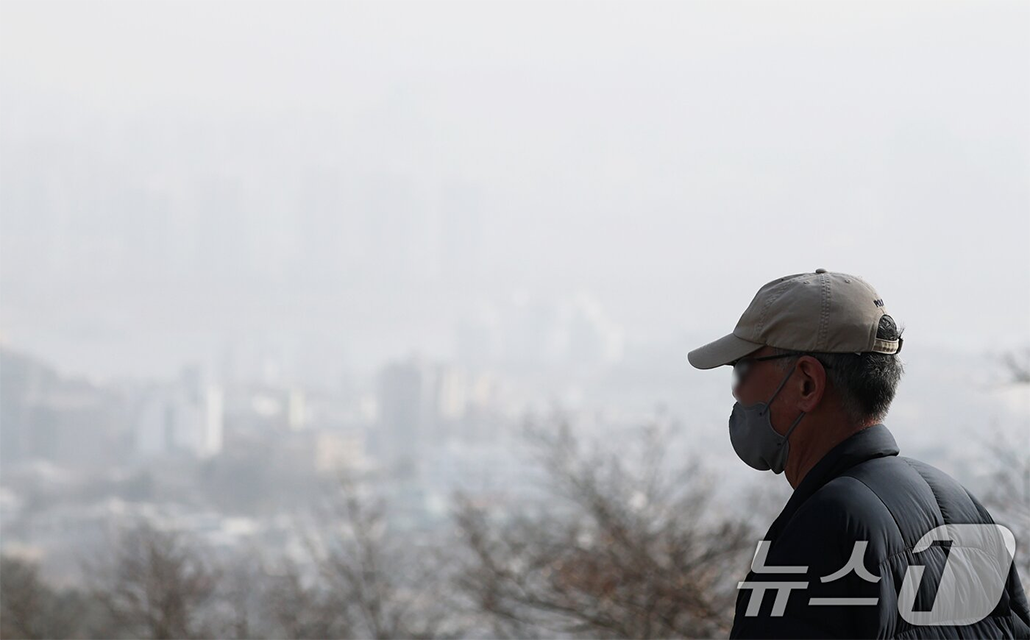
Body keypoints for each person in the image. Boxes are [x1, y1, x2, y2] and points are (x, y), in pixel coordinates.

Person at [687, 269, 1030, 638]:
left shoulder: (821, 531)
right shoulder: (962, 504)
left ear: (807, 383)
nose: (737, 392)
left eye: (744, 368)